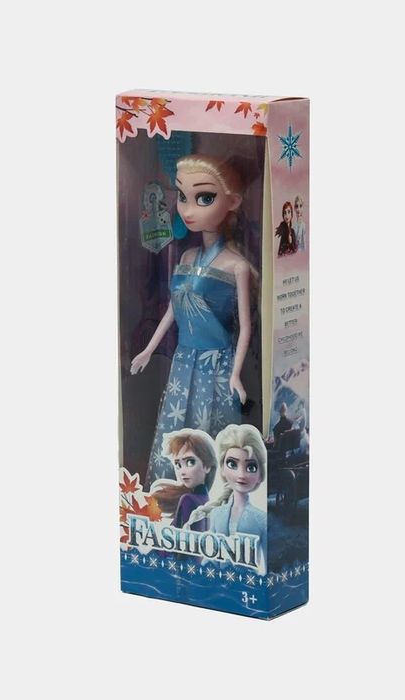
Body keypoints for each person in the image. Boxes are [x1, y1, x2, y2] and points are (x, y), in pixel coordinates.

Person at [130, 155, 256, 489]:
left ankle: (213, 496)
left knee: (209, 428)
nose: (188, 209)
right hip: (183, 360)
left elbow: (245, 326)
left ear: (232, 202)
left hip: (216, 363)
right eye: (183, 196)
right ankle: (170, 491)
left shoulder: (237, 266)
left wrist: (235, 374)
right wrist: (148, 350)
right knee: (177, 426)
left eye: (204, 198)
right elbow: (172, 311)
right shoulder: (186, 257)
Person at [186, 424, 267, 572]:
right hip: (217, 581)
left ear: (260, 474)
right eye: (232, 464)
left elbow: (269, 565)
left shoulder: (262, 519)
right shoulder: (217, 514)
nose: (241, 475)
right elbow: (211, 555)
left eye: (251, 467)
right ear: (222, 468)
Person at [150, 428, 217, 531]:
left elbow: (182, 538)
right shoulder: (206, 502)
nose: (182, 472)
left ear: (207, 466)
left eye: (190, 462)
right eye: (178, 465)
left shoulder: (188, 499)